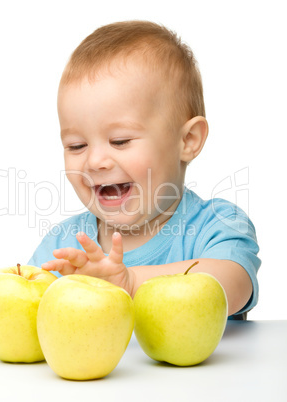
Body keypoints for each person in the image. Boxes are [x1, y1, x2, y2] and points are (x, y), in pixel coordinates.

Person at [28, 20, 260, 319]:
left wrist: (131, 282)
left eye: (120, 141)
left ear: (187, 140)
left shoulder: (216, 225)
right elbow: (30, 313)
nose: (95, 161)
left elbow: (231, 283)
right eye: (76, 146)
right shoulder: (64, 247)